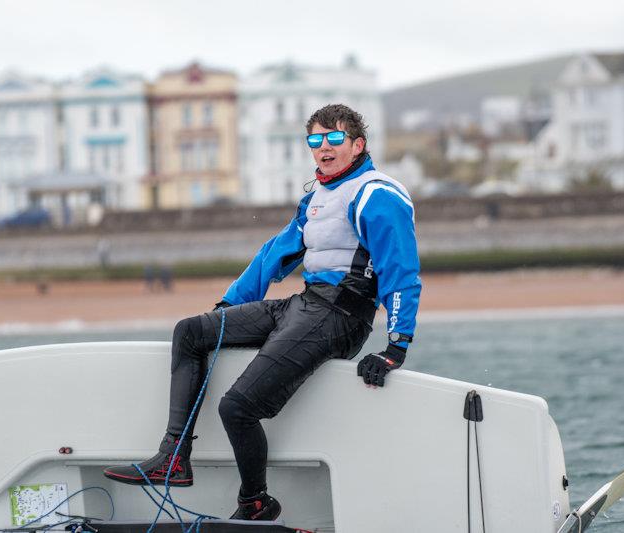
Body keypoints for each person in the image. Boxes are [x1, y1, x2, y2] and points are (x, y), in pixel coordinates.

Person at [103, 104, 422, 521]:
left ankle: (255, 503)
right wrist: (228, 308)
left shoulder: (378, 194)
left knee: (237, 407)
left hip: (340, 316)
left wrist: (395, 346)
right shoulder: (317, 197)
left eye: (334, 138)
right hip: (305, 304)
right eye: (315, 140)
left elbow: (402, 269)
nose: (323, 148)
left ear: (357, 144)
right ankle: (173, 458)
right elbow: (274, 254)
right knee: (192, 332)